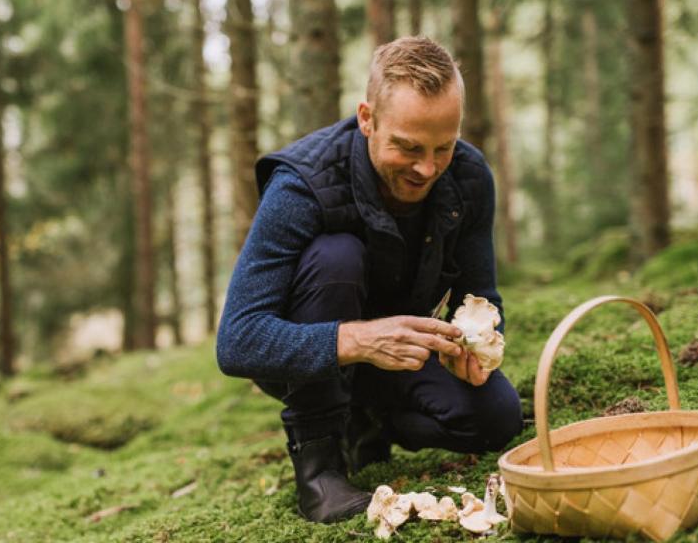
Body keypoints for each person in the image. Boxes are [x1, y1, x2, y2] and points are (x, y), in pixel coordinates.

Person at [216, 36, 523, 524]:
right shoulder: (302, 183)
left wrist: (473, 348)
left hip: (400, 355)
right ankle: (320, 469)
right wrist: (355, 339)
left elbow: (482, 295)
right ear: (367, 118)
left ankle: (367, 424)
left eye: (442, 147)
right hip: (313, 354)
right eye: (408, 147)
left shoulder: (467, 177)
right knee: (336, 255)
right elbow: (236, 341)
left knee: (498, 418)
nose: (427, 168)